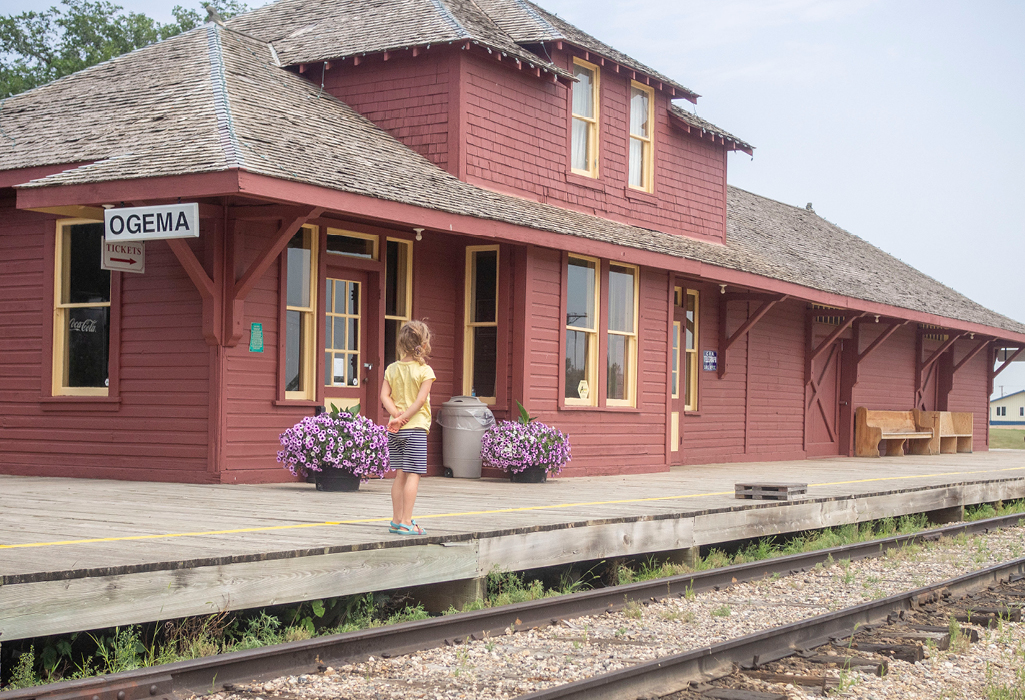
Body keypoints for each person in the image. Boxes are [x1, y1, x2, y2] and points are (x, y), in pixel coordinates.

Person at [380, 320, 435, 535]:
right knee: (414, 475)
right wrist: (404, 419)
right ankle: (406, 522)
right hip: (415, 429)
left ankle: (395, 520)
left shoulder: (392, 368)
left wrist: (395, 415)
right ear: (423, 343)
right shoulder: (425, 371)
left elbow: (384, 395)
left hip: (396, 430)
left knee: (400, 474)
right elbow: (420, 401)